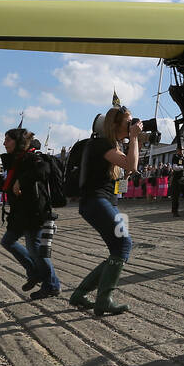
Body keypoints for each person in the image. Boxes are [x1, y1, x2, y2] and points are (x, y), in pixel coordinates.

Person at [66, 107, 138, 315]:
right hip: (96, 202)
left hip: (100, 202)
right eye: (128, 122)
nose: (131, 126)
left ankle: (80, 294)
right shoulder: (102, 144)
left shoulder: (107, 145)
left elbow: (130, 165)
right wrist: (133, 137)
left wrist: (133, 139)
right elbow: (131, 164)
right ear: (114, 125)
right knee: (124, 243)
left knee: (117, 250)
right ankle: (104, 299)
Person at [0, 128, 62, 300]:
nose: (4, 143)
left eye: (8, 140)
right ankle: (34, 272)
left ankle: (52, 285)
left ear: (18, 142)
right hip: (20, 213)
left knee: (35, 250)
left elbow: (44, 170)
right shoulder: (15, 161)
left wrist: (21, 180)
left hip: (34, 212)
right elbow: (8, 186)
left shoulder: (32, 157)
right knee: (7, 241)